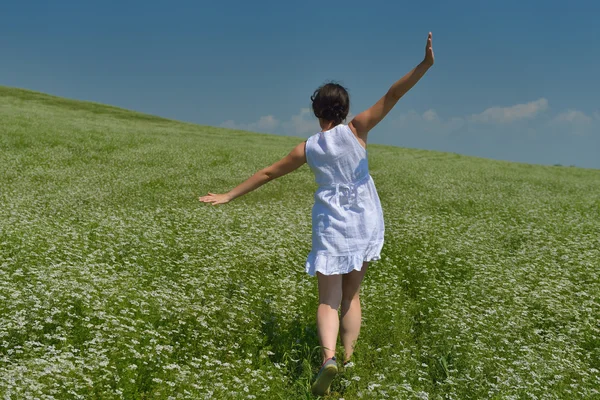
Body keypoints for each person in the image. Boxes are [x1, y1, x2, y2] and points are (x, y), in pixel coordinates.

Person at [200, 32, 434, 396]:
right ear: (344, 110)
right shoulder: (357, 129)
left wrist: (229, 195)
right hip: (364, 219)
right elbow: (393, 94)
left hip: (331, 224)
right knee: (351, 296)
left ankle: (328, 359)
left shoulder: (307, 148)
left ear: (316, 111)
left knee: (328, 298)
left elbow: (267, 173)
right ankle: (350, 358)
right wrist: (423, 65)